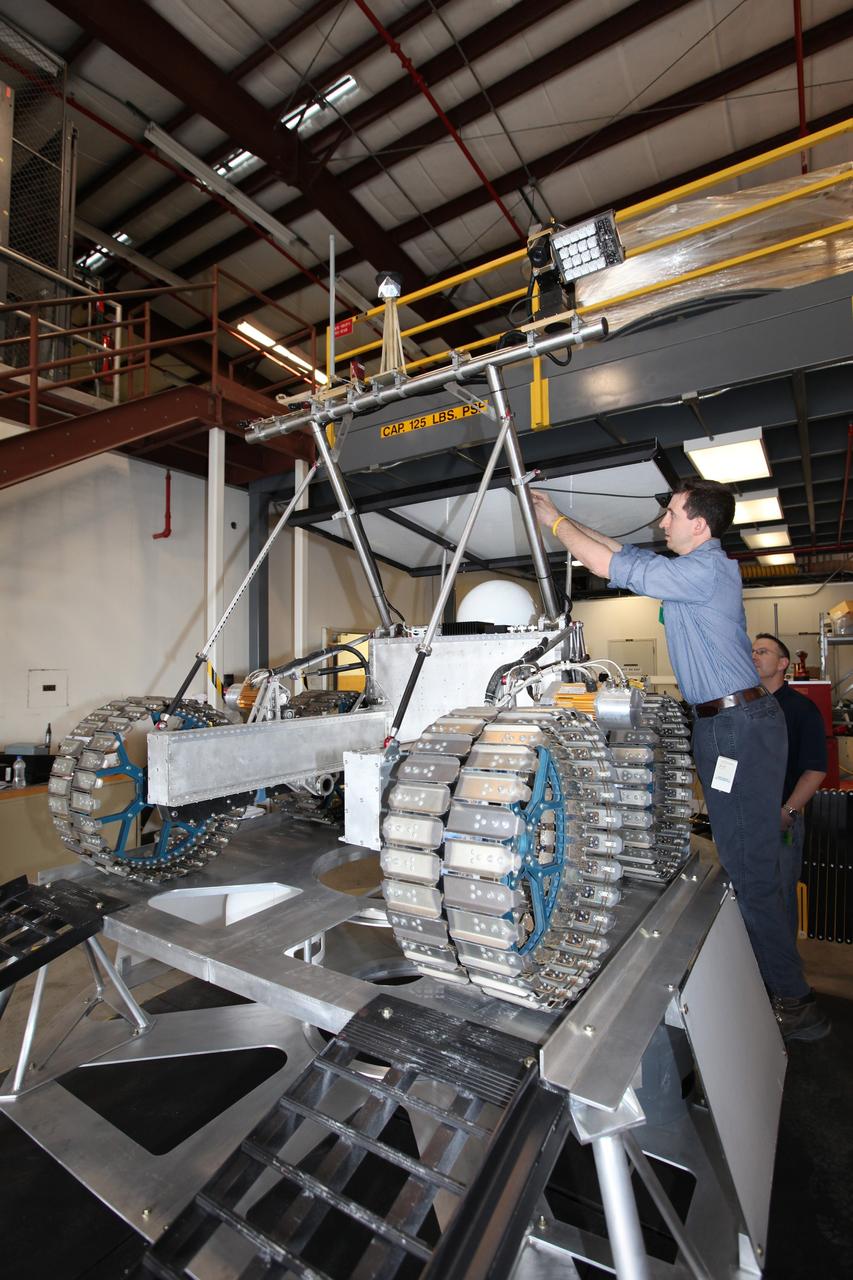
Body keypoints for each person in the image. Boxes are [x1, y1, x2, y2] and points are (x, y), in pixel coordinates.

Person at [531, 480, 830, 1042]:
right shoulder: (691, 569)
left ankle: (791, 999)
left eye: (671, 514)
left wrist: (553, 526)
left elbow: (613, 565)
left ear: (699, 525)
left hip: (738, 728)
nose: (662, 522)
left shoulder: (707, 570)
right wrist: (559, 513)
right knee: (744, 863)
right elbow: (620, 555)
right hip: (724, 726)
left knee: (751, 869)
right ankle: (771, 984)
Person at [752, 633, 827, 940]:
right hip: (747, 821)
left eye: (763, 651)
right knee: (749, 898)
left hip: (780, 822)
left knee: (780, 898)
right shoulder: (745, 708)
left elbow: (815, 770)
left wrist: (788, 812)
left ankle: (783, 979)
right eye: (752, 651)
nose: (754, 656)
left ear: (783, 663)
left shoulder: (801, 710)